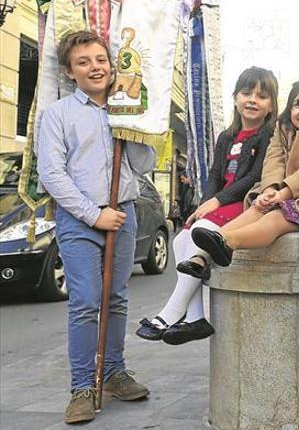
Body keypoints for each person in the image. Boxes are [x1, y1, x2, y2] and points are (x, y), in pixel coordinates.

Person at [37, 30, 156, 424]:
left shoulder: (127, 106)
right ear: (71, 72)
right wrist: (93, 214)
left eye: (101, 60)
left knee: (117, 298)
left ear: (111, 63)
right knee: (87, 301)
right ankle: (83, 387)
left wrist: (131, 122)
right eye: (84, 62)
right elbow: (52, 174)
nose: (95, 67)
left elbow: (143, 163)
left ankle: (114, 373)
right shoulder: (57, 114)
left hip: (123, 213)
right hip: (80, 219)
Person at [135, 67, 277, 344]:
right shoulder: (227, 136)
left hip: (247, 204)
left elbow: (254, 177)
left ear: (271, 104)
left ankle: (170, 313)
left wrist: (216, 202)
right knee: (181, 240)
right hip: (222, 203)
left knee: (199, 230)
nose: (252, 100)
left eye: (261, 96)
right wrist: (204, 204)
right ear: (235, 97)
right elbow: (214, 175)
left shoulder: (267, 136)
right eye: (246, 93)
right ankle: (195, 318)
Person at [189, 80, 299, 265]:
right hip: (277, 192)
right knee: (255, 211)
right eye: (298, 104)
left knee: (274, 220)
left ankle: (227, 242)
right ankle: (202, 256)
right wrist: (269, 190)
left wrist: (283, 194)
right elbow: (273, 161)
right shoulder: (283, 130)